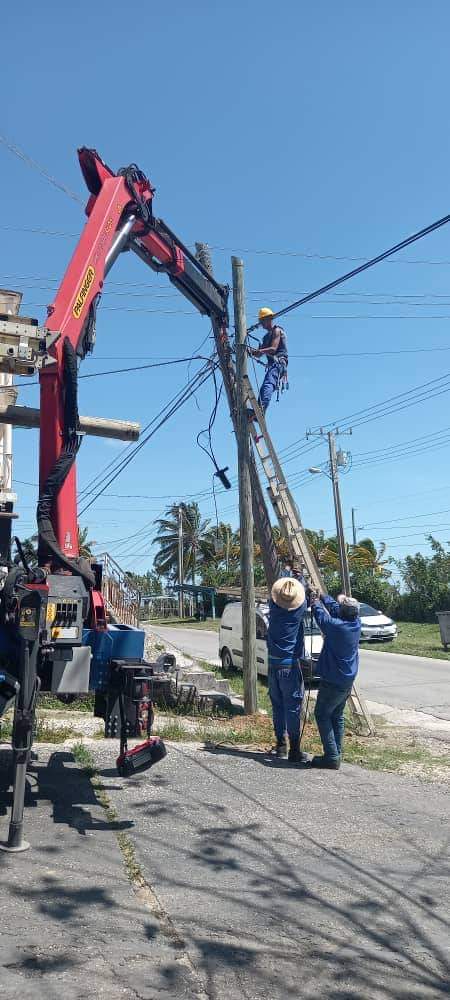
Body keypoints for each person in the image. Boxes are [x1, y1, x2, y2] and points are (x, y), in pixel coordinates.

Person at [308, 592, 361, 770]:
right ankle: (336, 753)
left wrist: (314, 602)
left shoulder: (337, 627)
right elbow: (334, 609)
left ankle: (331, 756)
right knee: (336, 715)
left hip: (333, 679)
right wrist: (323, 596)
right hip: (346, 679)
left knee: (322, 714)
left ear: (343, 612)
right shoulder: (355, 624)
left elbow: (321, 616)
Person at [267, 577, 309, 762]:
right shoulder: (296, 612)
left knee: (278, 707)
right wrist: (300, 578)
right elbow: (304, 595)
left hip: (272, 664)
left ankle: (281, 745)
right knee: (293, 708)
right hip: (289, 666)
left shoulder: (274, 609)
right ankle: (294, 749)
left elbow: (276, 596)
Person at [250, 307, 288, 415]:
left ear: (270, 319)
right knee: (264, 388)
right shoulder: (266, 337)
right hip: (273, 365)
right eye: (260, 321)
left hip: (278, 363)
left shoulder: (277, 330)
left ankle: (260, 410)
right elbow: (259, 353)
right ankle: (258, 412)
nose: (261, 323)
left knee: (268, 384)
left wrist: (259, 351)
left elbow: (273, 349)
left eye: (263, 320)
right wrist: (249, 351)